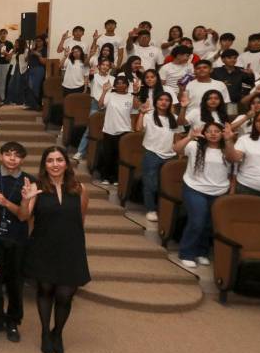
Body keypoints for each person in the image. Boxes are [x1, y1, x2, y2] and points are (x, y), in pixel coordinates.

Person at [18, 146, 90, 353]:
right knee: (46, 291)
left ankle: (57, 332)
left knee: (65, 295)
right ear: (44, 164)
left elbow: (81, 220)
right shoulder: (36, 187)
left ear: (66, 163)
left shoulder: (80, 189)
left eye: (59, 160)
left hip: (70, 247)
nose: (55, 164)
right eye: (50, 160)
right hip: (43, 247)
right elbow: (23, 217)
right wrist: (25, 199)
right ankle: (44, 334)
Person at [0, 141, 33, 342]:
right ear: (1, 156)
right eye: (8, 154)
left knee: (15, 282)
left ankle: (13, 321)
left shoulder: (29, 181)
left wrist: (6, 203)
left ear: (22, 159)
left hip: (17, 238)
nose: (12, 159)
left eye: (17, 155)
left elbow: (24, 216)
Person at [172, 123, 230, 269]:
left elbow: (235, 165)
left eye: (217, 131)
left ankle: (201, 252)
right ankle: (186, 253)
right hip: (195, 188)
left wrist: (230, 140)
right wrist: (190, 136)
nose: (213, 134)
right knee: (197, 221)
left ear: (222, 133)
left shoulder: (226, 149)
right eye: (209, 131)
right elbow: (176, 149)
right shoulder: (195, 146)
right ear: (204, 133)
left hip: (219, 191)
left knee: (209, 224)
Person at [134, 92, 179, 222]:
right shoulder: (148, 116)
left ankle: (163, 209)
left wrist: (179, 155)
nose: (164, 102)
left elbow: (177, 137)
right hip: (152, 154)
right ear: (156, 102)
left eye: (167, 100)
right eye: (161, 99)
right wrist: (141, 113)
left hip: (171, 155)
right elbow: (138, 129)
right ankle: (150, 209)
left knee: (166, 185)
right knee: (150, 184)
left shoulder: (175, 118)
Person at [95, 75, 135, 185]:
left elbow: (137, 108)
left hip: (125, 130)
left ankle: (117, 178)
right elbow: (99, 106)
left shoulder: (131, 97)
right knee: (108, 155)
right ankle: (106, 177)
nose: (120, 85)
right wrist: (104, 92)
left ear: (127, 85)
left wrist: (136, 92)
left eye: (123, 83)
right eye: (117, 83)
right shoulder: (110, 95)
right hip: (109, 129)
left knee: (120, 156)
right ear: (115, 85)